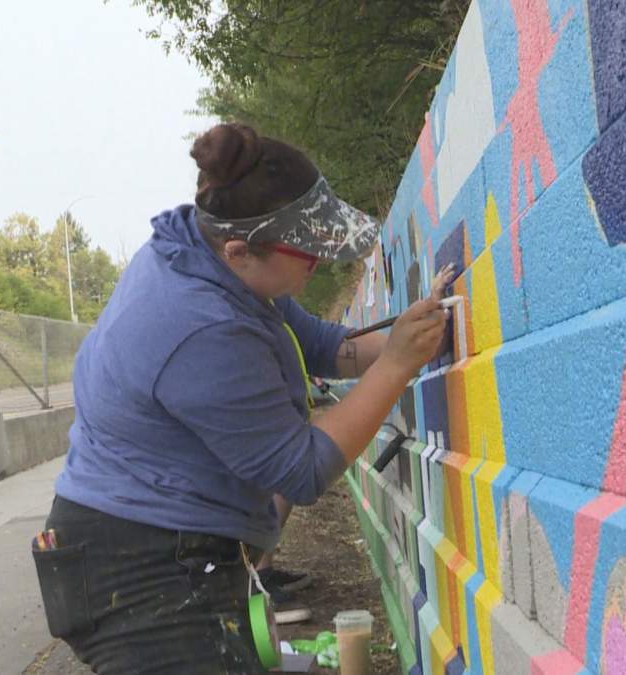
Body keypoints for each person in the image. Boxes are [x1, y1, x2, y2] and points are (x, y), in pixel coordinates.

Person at [32, 122, 454, 674]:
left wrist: (418, 333)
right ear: (240, 251)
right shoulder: (197, 324)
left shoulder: (209, 255)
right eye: (307, 253)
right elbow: (301, 469)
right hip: (133, 576)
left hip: (167, 549)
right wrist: (398, 363)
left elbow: (323, 346)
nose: (318, 262)